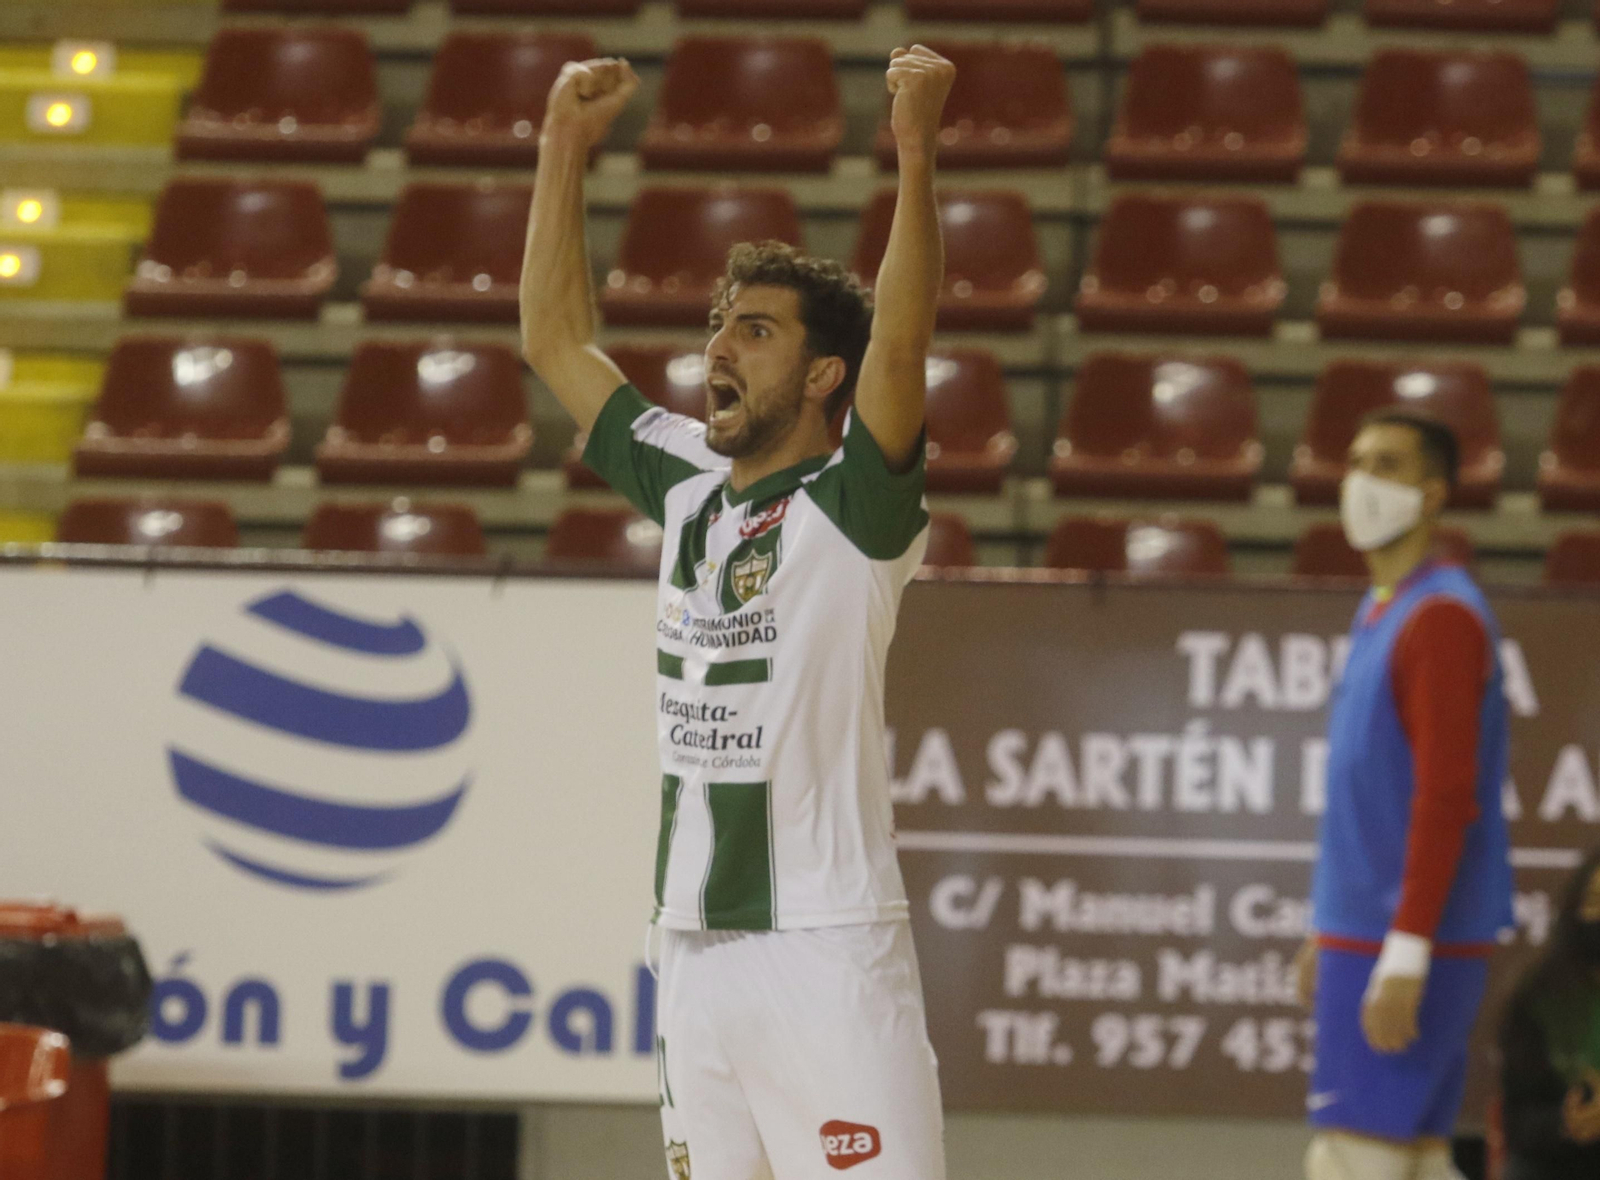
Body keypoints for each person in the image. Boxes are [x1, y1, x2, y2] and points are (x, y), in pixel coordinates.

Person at [518, 46, 956, 1180]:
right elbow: (557, 343)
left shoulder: (855, 505)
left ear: (823, 379)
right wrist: (561, 149)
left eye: (754, 330)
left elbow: (902, 346)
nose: (716, 345)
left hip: (826, 948)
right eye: (719, 323)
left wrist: (915, 148)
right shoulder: (683, 484)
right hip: (690, 948)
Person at [1293, 409, 1516, 1180]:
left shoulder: (1441, 616)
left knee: (1353, 1159)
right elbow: (1372, 790)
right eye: (1355, 460)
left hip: (1406, 935)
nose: (1361, 480)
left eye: (1387, 464)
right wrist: (1331, 926)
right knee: (1413, 1160)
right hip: (1370, 929)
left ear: (1433, 495)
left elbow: (1445, 797)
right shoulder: (1385, 607)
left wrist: (1406, 949)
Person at [1498, 846, 1600, 1179]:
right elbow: (1518, 1122)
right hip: (1560, 1163)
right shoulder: (1538, 996)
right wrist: (1566, 1123)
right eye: (1594, 900)